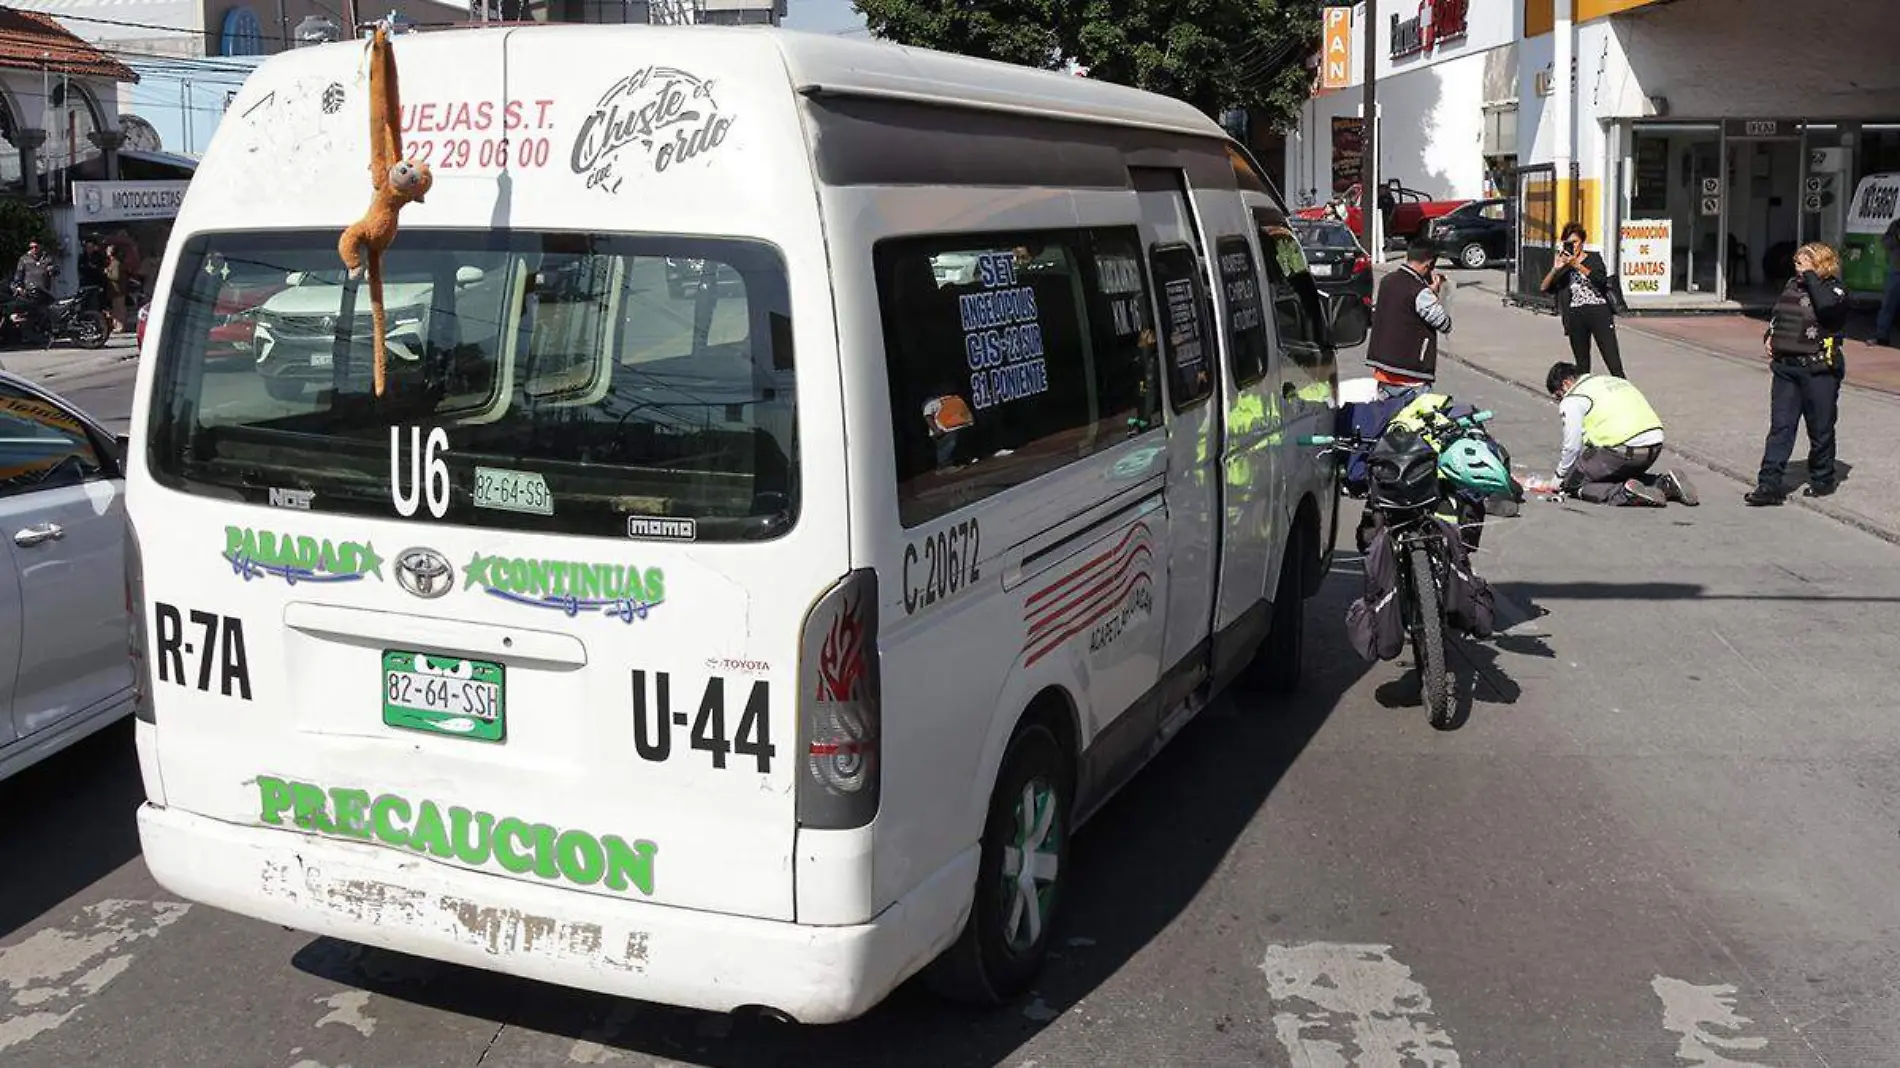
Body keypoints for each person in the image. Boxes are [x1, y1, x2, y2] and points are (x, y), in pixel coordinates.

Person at [1747, 241, 1849, 505]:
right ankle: (1768, 484)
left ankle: (1822, 479)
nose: (1798, 266)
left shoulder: (1834, 289)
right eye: (1797, 261)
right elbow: (1779, 316)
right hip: (1786, 369)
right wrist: (1770, 335)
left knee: (1821, 427)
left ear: (1821, 264)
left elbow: (1827, 310)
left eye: (1805, 261)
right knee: (1781, 427)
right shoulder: (1792, 285)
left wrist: (1812, 277)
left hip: (1819, 370)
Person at [1542, 361, 1698, 507]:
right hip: (1654, 445)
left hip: (1623, 450)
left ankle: (1625, 494)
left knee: (1574, 482)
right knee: (1608, 472)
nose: (1560, 401)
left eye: (1558, 396)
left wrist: (1560, 477)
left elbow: (1572, 447)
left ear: (1566, 383)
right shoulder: (1612, 381)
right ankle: (1664, 483)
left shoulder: (1573, 399)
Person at [1365, 237, 1452, 400]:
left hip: (1383, 373)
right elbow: (1444, 323)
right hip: (1411, 376)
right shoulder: (1420, 291)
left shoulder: (1386, 281)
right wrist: (1436, 296)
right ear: (1429, 264)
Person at [1540, 222, 1625, 378]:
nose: (1573, 246)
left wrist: (1577, 265)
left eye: (1575, 242)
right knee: (1582, 367)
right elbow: (1544, 288)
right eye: (1568, 243)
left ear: (1582, 242)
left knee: (1613, 362)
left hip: (1599, 312)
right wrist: (1555, 268)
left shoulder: (1593, 258)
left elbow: (1600, 280)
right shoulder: (1564, 266)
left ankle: (1626, 394)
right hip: (1576, 316)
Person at [1876, 217, 1899, 348]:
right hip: (1897, 270)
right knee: (1888, 304)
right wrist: (1896, 239)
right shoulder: (1896, 225)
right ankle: (1882, 336)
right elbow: (1885, 241)